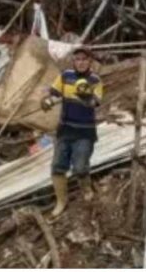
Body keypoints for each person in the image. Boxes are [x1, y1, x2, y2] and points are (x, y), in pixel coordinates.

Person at [41, 47, 104, 217]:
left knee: (80, 167)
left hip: (85, 131)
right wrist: (48, 102)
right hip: (65, 130)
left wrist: (85, 98)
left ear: (90, 61)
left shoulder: (95, 80)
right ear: (73, 61)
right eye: (77, 59)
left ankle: (86, 189)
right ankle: (61, 201)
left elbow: (96, 103)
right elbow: (54, 95)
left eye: (84, 59)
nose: (81, 62)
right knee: (58, 166)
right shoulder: (65, 76)